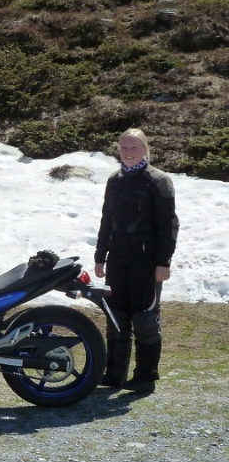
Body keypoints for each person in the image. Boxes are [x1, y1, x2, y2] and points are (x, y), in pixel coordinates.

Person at [94, 128, 179, 393]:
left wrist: (164, 262)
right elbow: (107, 220)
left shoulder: (158, 180)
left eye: (134, 148)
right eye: (124, 148)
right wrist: (100, 257)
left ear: (145, 150)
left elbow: (169, 225)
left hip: (147, 262)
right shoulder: (115, 180)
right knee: (116, 316)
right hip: (117, 260)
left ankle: (145, 376)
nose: (128, 153)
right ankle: (114, 373)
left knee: (144, 318)